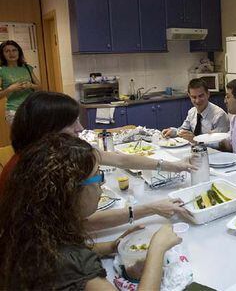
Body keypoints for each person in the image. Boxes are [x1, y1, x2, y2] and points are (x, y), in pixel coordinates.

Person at [0, 133, 182, 290]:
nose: (102, 185)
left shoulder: (31, 230)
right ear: (70, 192)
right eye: (97, 176)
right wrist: (157, 249)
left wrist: (111, 246)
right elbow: (72, 261)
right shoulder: (73, 263)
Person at [0, 91, 195, 229]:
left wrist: (174, 166)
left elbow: (119, 159)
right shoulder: (30, 174)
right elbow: (76, 226)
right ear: (46, 129)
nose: (80, 128)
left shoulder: (54, 153)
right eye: (71, 123)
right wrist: (151, 208)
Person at [162, 78, 229, 142]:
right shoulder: (192, 112)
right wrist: (173, 132)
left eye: (201, 96)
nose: (197, 100)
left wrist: (196, 141)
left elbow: (221, 143)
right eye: (194, 97)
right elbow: (184, 129)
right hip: (197, 150)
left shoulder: (219, 115)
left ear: (208, 94)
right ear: (189, 96)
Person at [0, 40, 41, 124]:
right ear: (2, 54)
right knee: (23, 136)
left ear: (19, 52)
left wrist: (30, 85)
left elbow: (40, 86)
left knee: (35, 135)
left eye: (14, 50)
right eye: (7, 51)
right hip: (14, 111)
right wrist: (10, 89)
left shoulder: (26, 67)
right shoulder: (1, 70)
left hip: (32, 108)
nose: (11, 53)